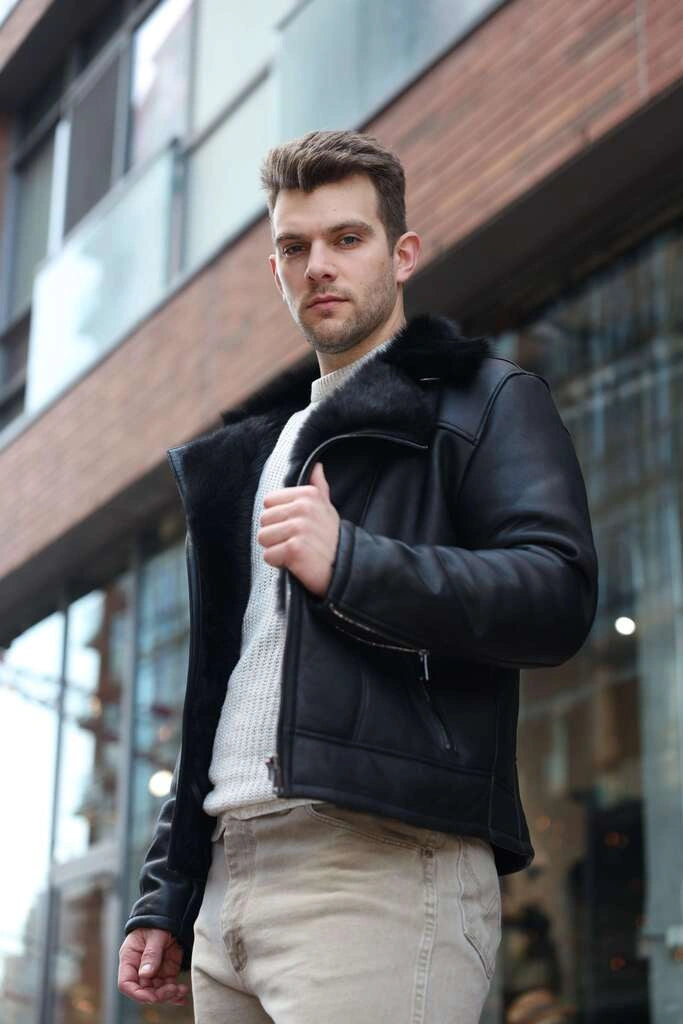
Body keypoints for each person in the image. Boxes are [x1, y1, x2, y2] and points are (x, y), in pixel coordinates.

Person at [118, 129, 598, 1023]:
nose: (318, 267)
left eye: (348, 239)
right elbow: (223, 689)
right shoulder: (255, 456)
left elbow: (557, 595)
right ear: (275, 269)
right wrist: (168, 891)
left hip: (379, 865)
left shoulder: (481, 403)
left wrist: (354, 563)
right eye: (295, 248)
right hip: (230, 886)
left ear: (402, 253)